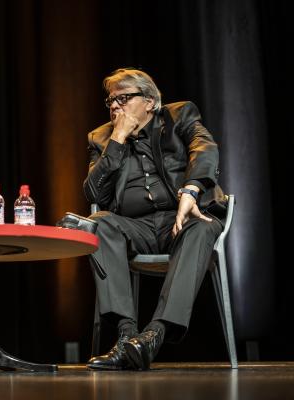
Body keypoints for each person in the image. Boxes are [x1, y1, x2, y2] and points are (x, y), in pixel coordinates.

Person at [82, 68, 227, 371]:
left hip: (184, 218)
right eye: (110, 101)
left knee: (202, 227)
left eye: (123, 98)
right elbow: (93, 192)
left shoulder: (179, 116)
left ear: (149, 102)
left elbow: (206, 148)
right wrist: (117, 140)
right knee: (99, 222)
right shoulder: (101, 138)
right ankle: (126, 337)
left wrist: (191, 189)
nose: (114, 107)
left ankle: (154, 335)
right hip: (137, 227)